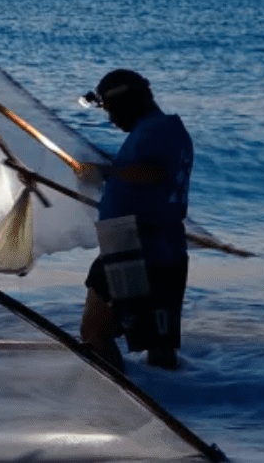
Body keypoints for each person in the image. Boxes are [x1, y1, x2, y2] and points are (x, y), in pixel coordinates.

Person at [75, 68, 194, 372]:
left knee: (94, 334)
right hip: (166, 249)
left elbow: (155, 173)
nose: (112, 120)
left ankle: (116, 408)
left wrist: (107, 172)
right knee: (159, 345)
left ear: (130, 102)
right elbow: (152, 178)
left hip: (133, 247)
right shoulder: (170, 130)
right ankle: (175, 406)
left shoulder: (155, 131)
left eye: (112, 110)